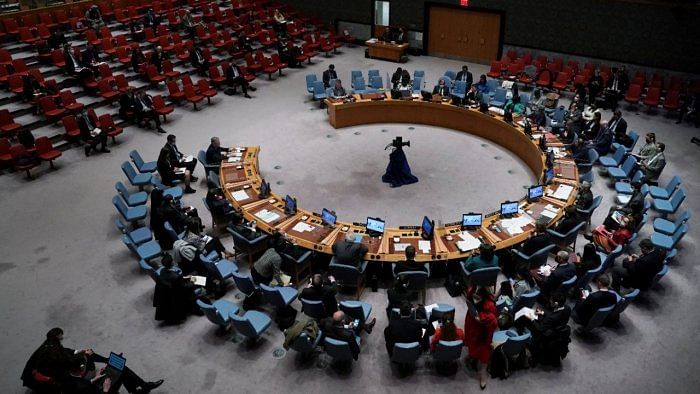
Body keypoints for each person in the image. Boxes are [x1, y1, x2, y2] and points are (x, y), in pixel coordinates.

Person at [22, 327, 163, 393]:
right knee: (121, 369)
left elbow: (66, 353)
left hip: (87, 383)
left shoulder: (49, 349)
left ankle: (139, 388)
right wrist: (105, 388)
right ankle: (141, 387)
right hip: (98, 391)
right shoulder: (70, 383)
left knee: (111, 364)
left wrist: (93, 377)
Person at [515, 292, 571, 367]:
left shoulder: (551, 318)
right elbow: (553, 314)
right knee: (537, 314)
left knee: (525, 318)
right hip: (556, 331)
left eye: (551, 301)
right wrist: (542, 313)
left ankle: (520, 334)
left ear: (556, 304)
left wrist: (532, 319)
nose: (550, 301)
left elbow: (539, 329)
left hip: (545, 334)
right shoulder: (567, 308)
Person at [464, 287, 498, 389]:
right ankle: (472, 356)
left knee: (484, 353)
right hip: (471, 323)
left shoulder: (489, 305)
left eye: (478, 298)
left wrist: (481, 318)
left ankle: (483, 373)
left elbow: (493, 322)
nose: (475, 300)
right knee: (471, 343)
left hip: (483, 331)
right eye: (474, 297)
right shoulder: (471, 290)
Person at [153, 254, 203, 322]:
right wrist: (191, 283)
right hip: (180, 293)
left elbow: (178, 280)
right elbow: (185, 287)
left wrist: (187, 277)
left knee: (193, 276)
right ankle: (198, 307)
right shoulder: (176, 277)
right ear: (172, 263)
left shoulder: (162, 271)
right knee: (198, 280)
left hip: (172, 291)